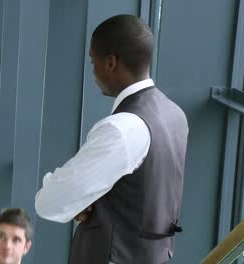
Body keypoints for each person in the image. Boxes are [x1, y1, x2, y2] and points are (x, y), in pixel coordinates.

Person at [35, 14, 189, 264]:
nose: (92, 69)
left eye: (92, 61)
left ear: (111, 63)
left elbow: (50, 201)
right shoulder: (176, 116)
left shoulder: (121, 128)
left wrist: (77, 201)